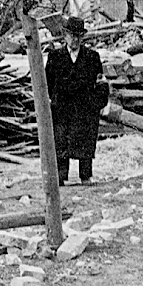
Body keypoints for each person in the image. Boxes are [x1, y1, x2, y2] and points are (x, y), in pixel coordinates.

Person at [44, 16, 106, 186]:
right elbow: (47, 83)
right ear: (65, 35)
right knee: (61, 142)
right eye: (72, 35)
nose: (75, 39)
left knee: (84, 142)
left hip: (84, 109)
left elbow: (101, 83)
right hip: (62, 108)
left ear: (83, 37)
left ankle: (85, 176)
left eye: (79, 35)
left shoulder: (92, 57)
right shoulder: (55, 57)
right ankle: (61, 177)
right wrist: (55, 100)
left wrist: (96, 104)